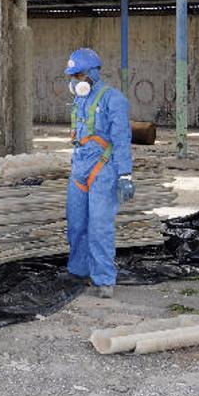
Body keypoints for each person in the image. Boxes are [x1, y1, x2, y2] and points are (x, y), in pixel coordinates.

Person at [65, 48, 135, 299]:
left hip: (103, 169)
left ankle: (104, 279)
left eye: (79, 74)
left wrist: (125, 174)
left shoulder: (114, 100)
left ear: (93, 73)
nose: (75, 80)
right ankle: (78, 270)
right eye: (73, 76)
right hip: (79, 167)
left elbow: (122, 140)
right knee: (76, 224)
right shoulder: (79, 99)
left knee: (99, 226)